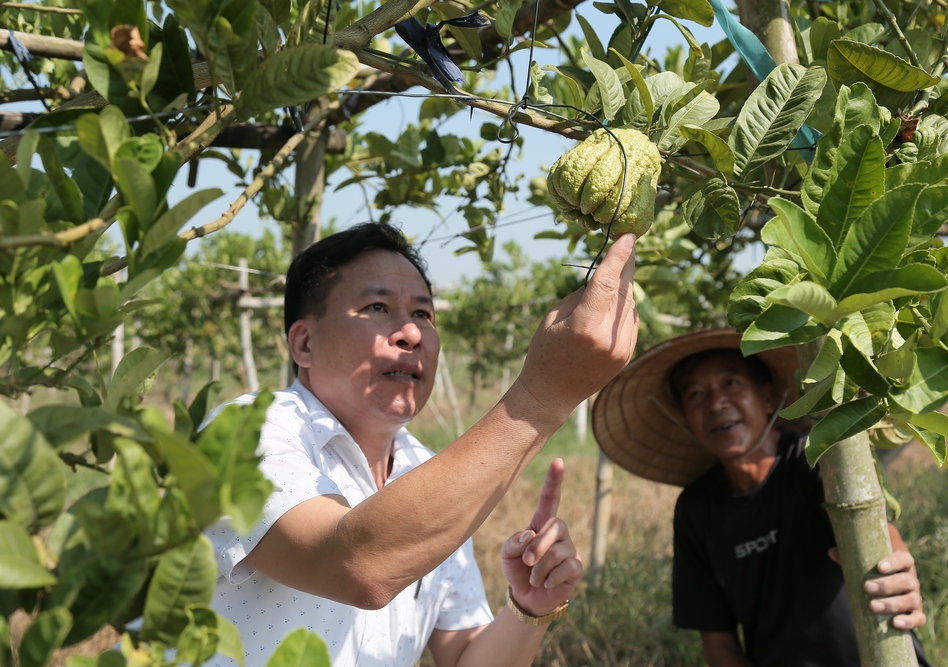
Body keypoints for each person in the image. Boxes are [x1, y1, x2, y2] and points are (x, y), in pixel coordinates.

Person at [204, 223, 639, 667]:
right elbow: (356, 565)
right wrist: (543, 395)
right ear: (304, 342)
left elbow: (466, 659)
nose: (410, 333)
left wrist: (530, 608)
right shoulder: (248, 430)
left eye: (422, 314)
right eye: (377, 307)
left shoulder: (424, 470)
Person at [591, 328, 931, 667]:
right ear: (686, 420)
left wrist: (899, 572)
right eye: (695, 394)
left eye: (731, 384)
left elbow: (884, 541)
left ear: (768, 397)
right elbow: (718, 641)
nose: (715, 403)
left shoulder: (817, 461)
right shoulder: (697, 509)